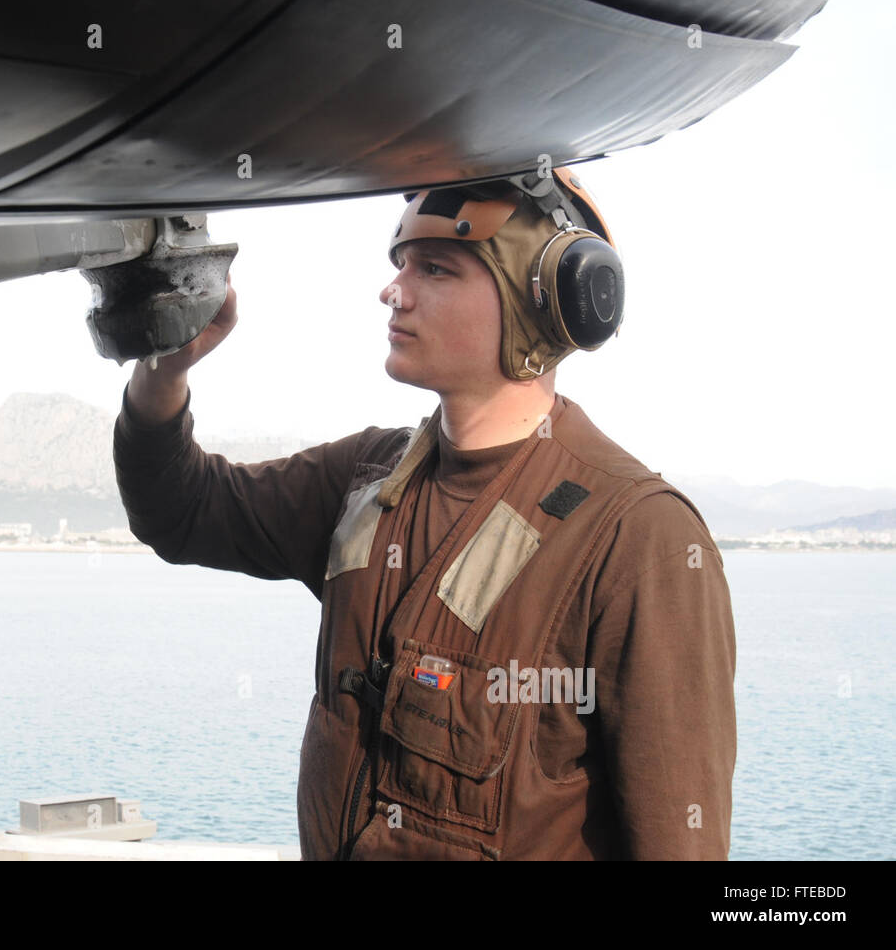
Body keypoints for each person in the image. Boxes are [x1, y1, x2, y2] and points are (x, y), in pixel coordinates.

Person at [112, 168, 736, 860]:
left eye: (436, 269)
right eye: (400, 264)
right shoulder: (366, 478)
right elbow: (181, 510)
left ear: (539, 306)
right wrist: (165, 370)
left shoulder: (637, 536)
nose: (393, 290)